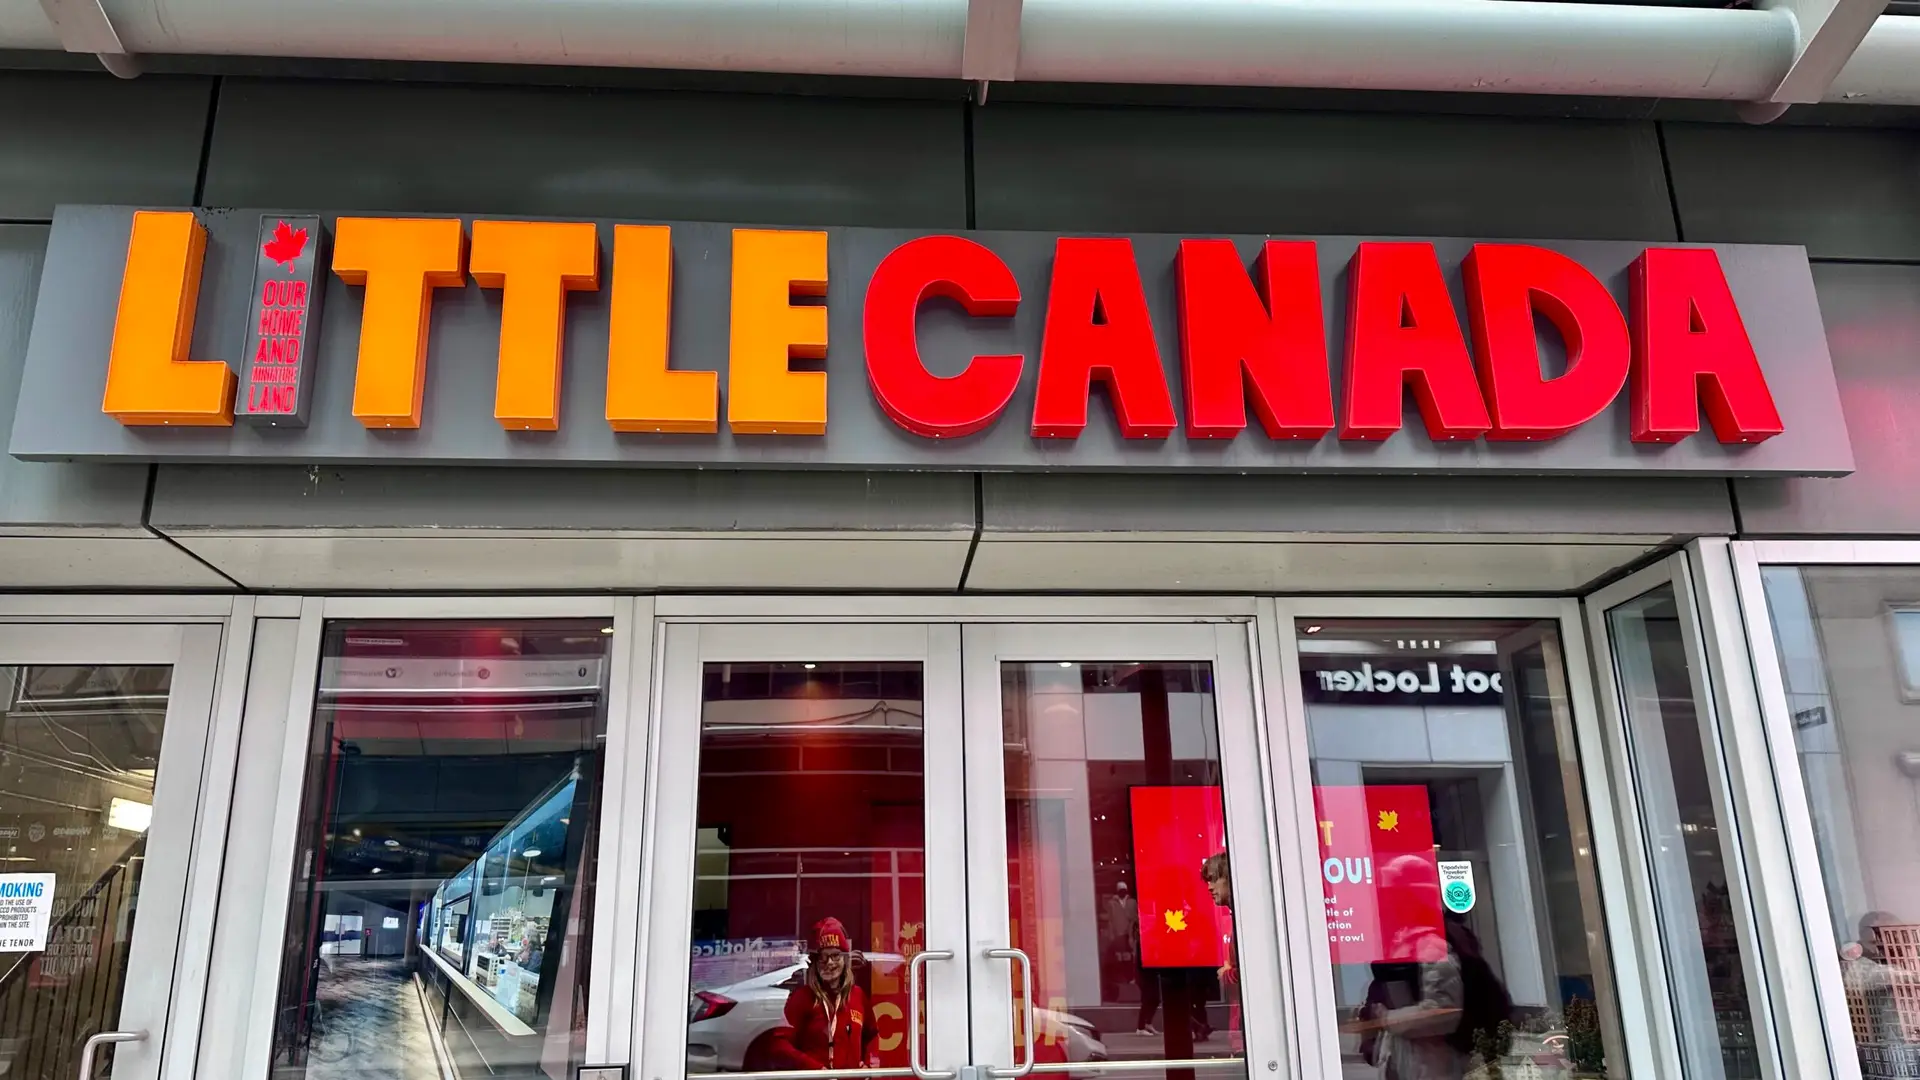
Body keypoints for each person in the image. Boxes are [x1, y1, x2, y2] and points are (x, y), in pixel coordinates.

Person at [775, 917, 878, 1073]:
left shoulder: (858, 995)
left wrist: (869, 1065)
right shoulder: (802, 998)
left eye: (835, 955)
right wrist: (813, 1068)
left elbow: (872, 1036)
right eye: (823, 957)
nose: (829, 963)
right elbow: (779, 1045)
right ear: (814, 961)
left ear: (845, 958)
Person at [1200, 853, 1241, 1053]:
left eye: (1214, 879)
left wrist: (1226, 973)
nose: (1209, 887)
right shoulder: (1240, 918)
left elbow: (1252, 976)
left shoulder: (1245, 922)